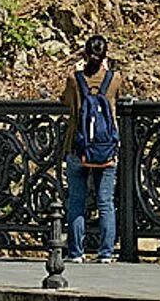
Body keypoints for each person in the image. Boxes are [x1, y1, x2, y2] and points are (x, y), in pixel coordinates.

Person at [60, 33, 123, 262]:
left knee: (77, 200)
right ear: (105, 56)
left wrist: (77, 70)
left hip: (78, 148)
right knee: (105, 201)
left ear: (85, 55)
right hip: (106, 150)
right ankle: (106, 253)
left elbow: (64, 100)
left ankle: (76, 252)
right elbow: (118, 99)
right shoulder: (114, 79)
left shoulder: (74, 79)